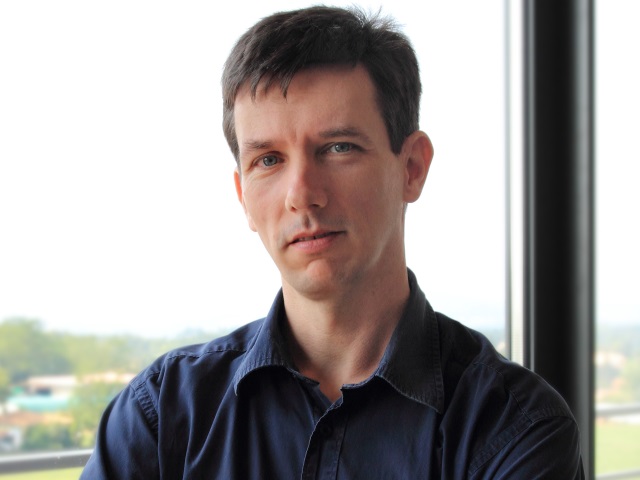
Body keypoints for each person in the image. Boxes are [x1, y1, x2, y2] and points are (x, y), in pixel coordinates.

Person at [81, 5, 584, 479]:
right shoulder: (162, 414)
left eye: (338, 148)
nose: (302, 194)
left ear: (412, 168)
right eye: (268, 160)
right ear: (243, 195)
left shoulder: (516, 428)